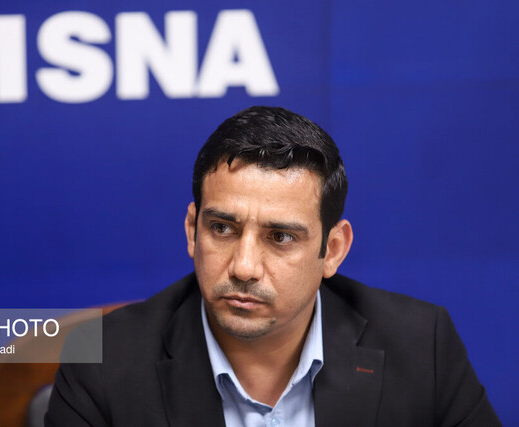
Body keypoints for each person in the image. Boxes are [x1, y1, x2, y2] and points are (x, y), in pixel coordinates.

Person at [45, 106, 500, 426]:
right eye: (222, 228)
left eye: (280, 237)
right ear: (191, 230)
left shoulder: (422, 345)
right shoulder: (100, 360)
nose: (244, 267)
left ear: (333, 249)